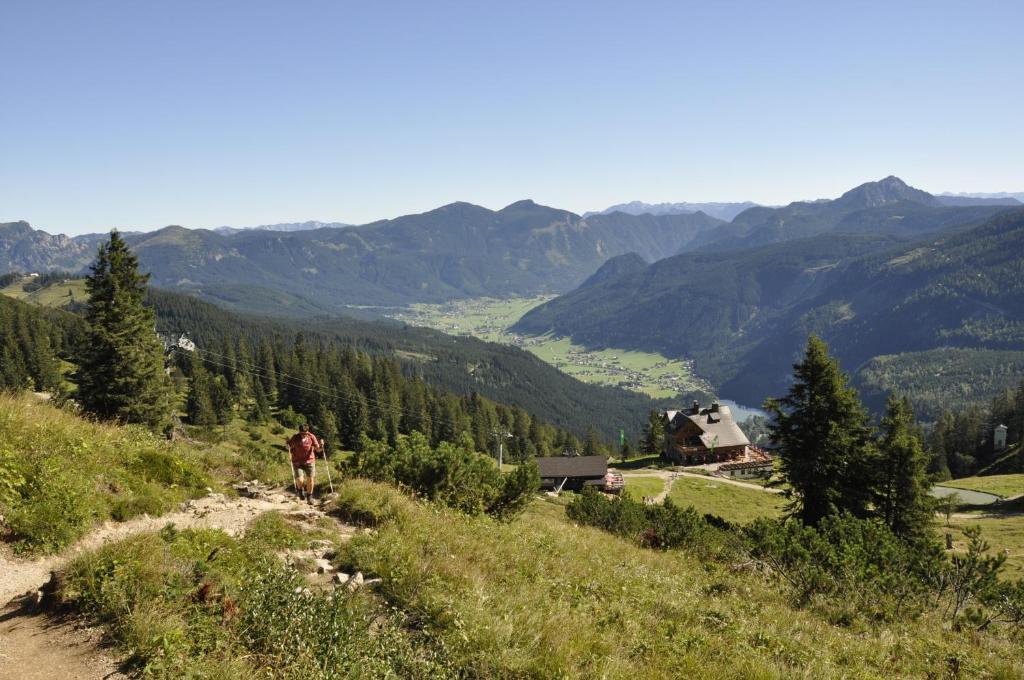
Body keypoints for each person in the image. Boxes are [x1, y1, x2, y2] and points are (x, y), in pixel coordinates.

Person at [287, 423, 323, 503]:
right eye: (301, 433)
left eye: (305, 433)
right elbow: (288, 447)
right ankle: (300, 491)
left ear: (307, 431)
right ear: (299, 432)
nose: (303, 435)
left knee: (310, 479)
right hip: (297, 462)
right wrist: (287, 444)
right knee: (300, 480)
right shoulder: (295, 437)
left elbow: (318, 450)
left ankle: (309, 497)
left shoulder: (311, 437)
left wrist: (321, 445)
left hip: (309, 461)